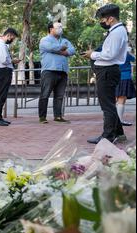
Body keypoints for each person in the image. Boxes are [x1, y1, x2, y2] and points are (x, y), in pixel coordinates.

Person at [83, 4, 128, 144]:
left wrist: (92, 54)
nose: (101, 22)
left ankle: (108, 137)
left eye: (103, 19)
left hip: (108, 71)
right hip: (107, 71)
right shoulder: (116, 31)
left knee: (107, 106)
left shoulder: (117, 32)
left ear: (111, 19)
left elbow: (110, 54)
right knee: (109, 104)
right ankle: (119, 134)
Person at [38, 22, 76, 124]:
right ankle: (42, 117)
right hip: (49, 71)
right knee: (45, 94)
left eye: (61, 27)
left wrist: (62, 51)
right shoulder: (44, 40)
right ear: (51, 29)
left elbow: (73, 50)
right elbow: (50, 48)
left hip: (63, 71)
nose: (61, 29)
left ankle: (58, 116)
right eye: (58, 27)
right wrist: (61, 48)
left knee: (59, 95)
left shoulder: (64, 40)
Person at [0, 28, 20, 126]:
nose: (12, 40)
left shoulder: (1, 45)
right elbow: (4, 60)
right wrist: (13, 61)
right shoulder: (1, 45)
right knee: (1, 96)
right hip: (3, 72)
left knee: (2, 96)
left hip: (3, 72)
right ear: (9, 35)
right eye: (13, 38)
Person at [116, 44, 135, 126]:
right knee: (122, 99)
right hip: (125, 77)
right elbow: (133, 59)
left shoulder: (116, 53)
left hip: (116, 77)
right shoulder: (126, 53)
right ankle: (119, 121)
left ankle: (117, 120)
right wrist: (129, 52)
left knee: (118, 99)